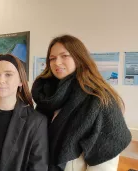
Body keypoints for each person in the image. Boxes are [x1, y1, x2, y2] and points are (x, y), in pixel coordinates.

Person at [31, 34, 132, 171]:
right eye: (52, 58)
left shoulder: (100, 99)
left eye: (64, 56)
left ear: (79, 58)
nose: (57, 62)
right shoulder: (46, 96)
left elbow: (105, 162)